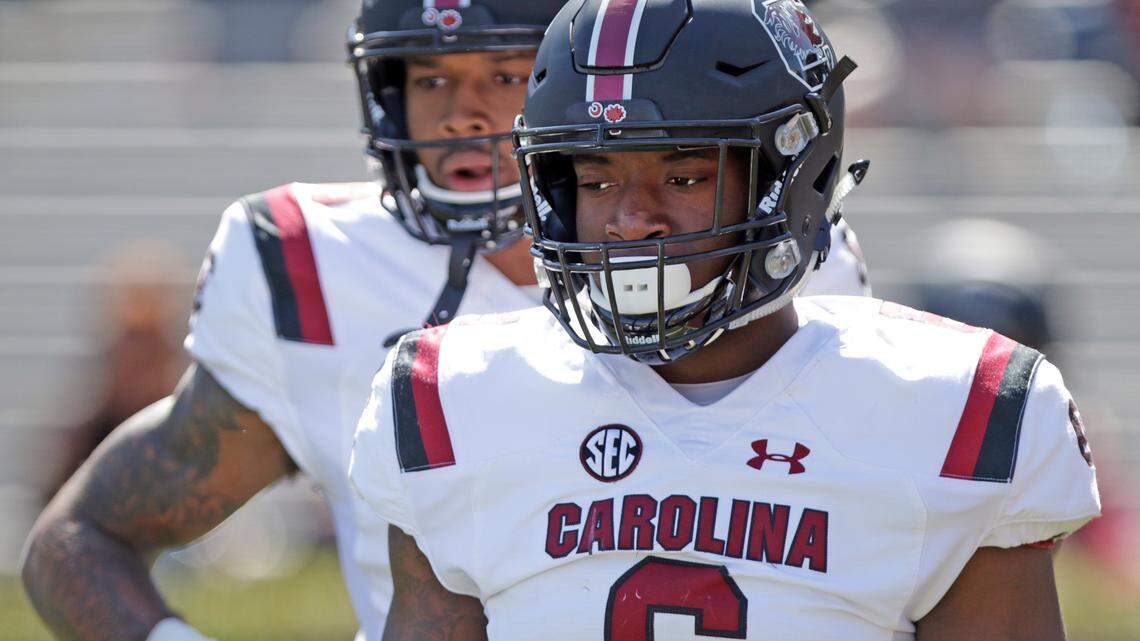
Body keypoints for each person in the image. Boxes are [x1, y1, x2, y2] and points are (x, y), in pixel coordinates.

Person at [20, 0, 874, 640]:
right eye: (431, 78)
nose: (464, 113)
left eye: (503, 75)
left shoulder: (767, 250)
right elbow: (78, 537)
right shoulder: (316, 268)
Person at [349, 1, 1100, 640]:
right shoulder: (454, 397)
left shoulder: (954, 409)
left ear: (789, 178)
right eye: (596, 176)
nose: (631, 220)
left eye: (683, 176)